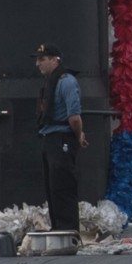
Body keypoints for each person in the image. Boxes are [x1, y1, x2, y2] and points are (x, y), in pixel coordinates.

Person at [33, 42, 85, 233]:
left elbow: (74, 117)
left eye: (42, 59)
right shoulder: (50, 82)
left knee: (63, 187)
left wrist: (78, 135)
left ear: (55, 60)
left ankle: (68, 230)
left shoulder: (66, 81)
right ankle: (58, 228)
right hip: (50, 138)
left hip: (62, 137)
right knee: (53, 188)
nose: (38, 64)